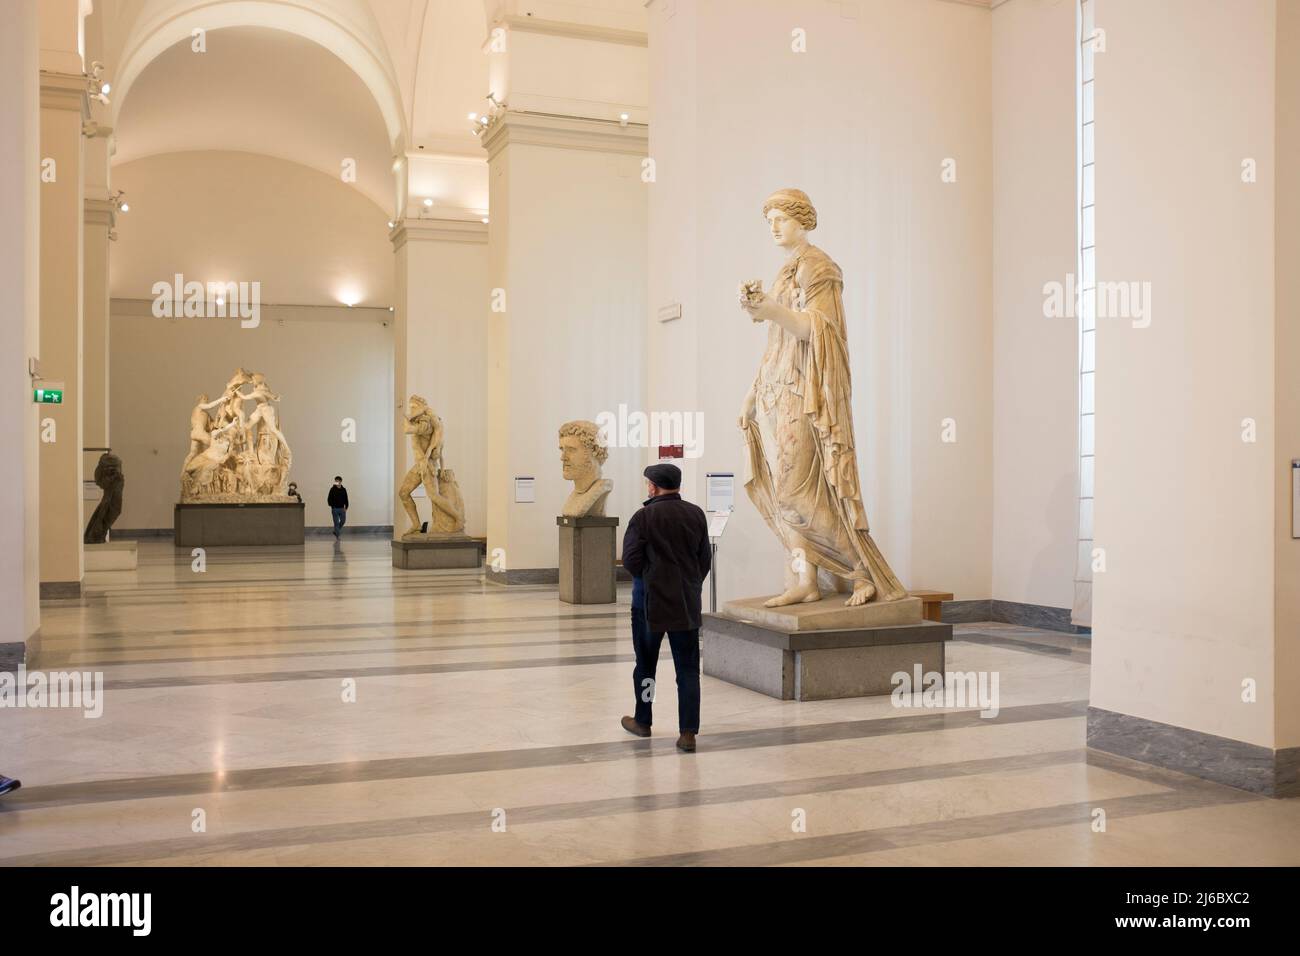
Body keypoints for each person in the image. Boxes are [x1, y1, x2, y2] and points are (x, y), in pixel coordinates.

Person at [620, 463, 712, 753]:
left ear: (653, 487)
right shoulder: (695, 513)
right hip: (685, 603)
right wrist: (689, 583)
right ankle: (688, 733)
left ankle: (643, 720)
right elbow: (703, 559)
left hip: (649, 603)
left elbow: (631, 560)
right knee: (687, 670)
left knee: (646, 666)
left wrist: (649, 577)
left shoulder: (643, 516)